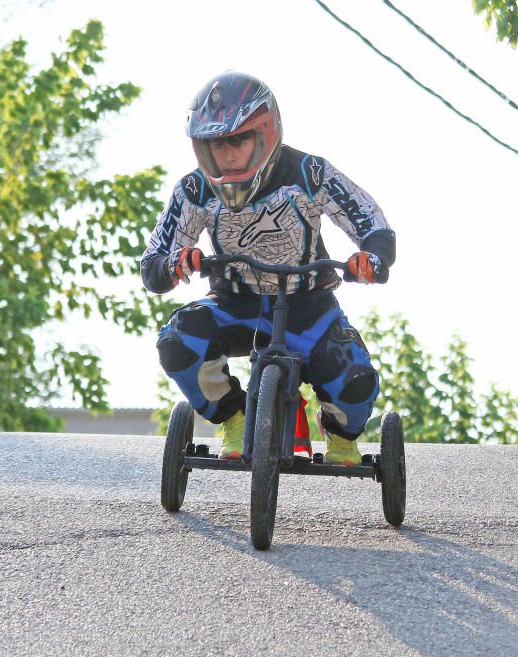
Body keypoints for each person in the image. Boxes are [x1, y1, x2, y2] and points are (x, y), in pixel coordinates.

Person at [141, 71, 395, 465]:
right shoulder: (193, 190)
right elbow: (154, 260)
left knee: (356, 382)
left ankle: (340, 433)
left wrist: (371, 258)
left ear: (265, 133)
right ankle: (234, 418)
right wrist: (174, 263)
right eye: (213, 144)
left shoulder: (310, 174)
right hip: (233, 306)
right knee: (177, 340)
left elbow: (371, 221)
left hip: (309, 308)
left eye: (237, 140)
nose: (225, 155)